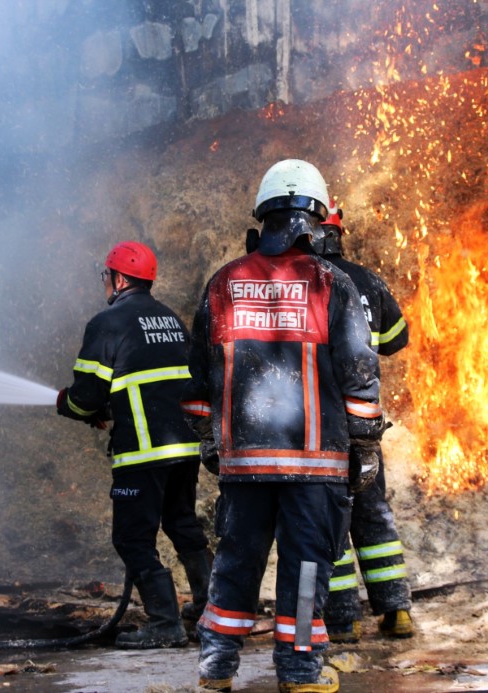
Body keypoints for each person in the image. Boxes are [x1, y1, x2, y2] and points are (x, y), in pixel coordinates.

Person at [183, 160, 385, 693]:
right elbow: (359, 372)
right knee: (306, 567)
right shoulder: (329, 282)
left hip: (244, 463)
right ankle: (297, 672)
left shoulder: (223, 283)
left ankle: (216, 668)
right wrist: (365, 448)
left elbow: (196, 379)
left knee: (236, 561)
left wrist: (212, 443)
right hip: (314, 465)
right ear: (314, 220)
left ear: (264, 219)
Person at [56, 240, 212, 649]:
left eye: (106, 275)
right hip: (184, 448)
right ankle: (213, 609)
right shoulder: (170, 319)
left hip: (144, 452)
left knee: (131, 538)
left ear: (119, 278)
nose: (104, 282)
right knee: (182, 525)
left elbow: (85, 396)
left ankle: (165, 623)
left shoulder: (107, 322)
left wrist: (69, 404)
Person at [315, 202, 415, 643]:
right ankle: (396, 611)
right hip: (366, 423)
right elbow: (397, 339)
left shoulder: (308, 281)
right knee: (373, 514)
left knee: (327, 517)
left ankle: (342, 621)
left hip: (322, 426)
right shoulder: (368, 280)